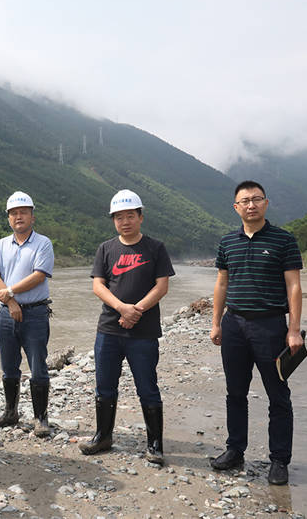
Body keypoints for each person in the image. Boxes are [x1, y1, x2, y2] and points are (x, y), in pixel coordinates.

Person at [209, 180, 303, 486]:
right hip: (234, 326)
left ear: (266, 203)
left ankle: (279, 460)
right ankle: (235, 450)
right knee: (235, 392)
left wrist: (293, 330)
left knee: (278, 394)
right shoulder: (228, 242)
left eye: (257, 199)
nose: (251, 205)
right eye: (245, 201)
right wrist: (216, 322)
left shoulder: (283, 239)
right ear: (236, 207)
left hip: (270, 326)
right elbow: (222, 283)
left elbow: (294, 285)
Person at [79, 189, 174, 464]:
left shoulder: (155, 248)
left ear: (140, 217)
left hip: (143, 332)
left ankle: (155, 445)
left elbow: (162, 286)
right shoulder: (106, 249)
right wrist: (122, 308)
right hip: (109, 329)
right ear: (113, 220)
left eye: (130, 216)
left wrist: (136, 310)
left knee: (147, 386)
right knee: (104, 385)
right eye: (119, 217)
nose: (125, 221)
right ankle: (103, 436)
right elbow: (98, 285)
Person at [0, 191, 55, 437]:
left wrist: (10, 292)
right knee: (8, 366)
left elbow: (39, 275)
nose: (18, 217)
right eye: (14, 213)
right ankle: (10, 413)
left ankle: (40, 418)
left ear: (32, 217)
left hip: (35, 314)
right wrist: (11, 302)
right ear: (8, 218)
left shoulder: (43, 243)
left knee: (38, 366)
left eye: (23, 212)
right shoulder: (1, 245)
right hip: (6, 314)